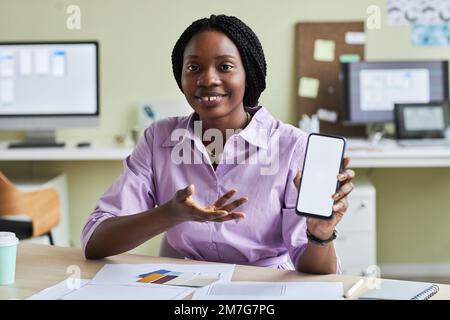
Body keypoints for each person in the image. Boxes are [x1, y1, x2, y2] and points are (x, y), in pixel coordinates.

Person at [81, 14, 355, 274]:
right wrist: (169, 214)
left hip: (262, 287)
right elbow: (95, 242)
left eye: (225, 66)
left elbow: (318, 272)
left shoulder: (292, 146)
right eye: (193, 67)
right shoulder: (159, 139)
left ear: (248, 74)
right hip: (182, 286)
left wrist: (320, 235)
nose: (207, 79)